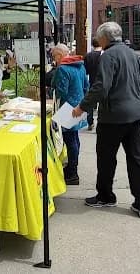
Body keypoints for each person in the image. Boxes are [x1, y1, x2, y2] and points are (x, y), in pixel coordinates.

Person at [72, 22, 140, 219]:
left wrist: (82, 107)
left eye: (99, 37)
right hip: (134, 113)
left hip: (114, 116)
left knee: (106, 158)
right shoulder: (132, 54)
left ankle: (106, 196)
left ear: (104, 38)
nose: (98, 41)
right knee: (136, 159)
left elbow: (101, 87)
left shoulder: (107, 56)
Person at [51, 44, 89, 186]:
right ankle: (73, 168)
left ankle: (72, 173)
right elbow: (86, 86)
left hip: (67, 108)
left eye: (54, 56)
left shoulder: (62, 69)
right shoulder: (79, 66)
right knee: (75, 138)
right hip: (80, 105)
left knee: (70, 140)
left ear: (60, 55)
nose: (54, 59)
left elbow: (61, 91)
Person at [83, 39, 102, 131]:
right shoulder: (104, 55)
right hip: (102, 82)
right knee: (102, 104)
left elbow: (85, 71)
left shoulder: (88, 56)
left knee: (90, 103)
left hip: (91, 81)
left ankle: (90, 122)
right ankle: (100, 123)